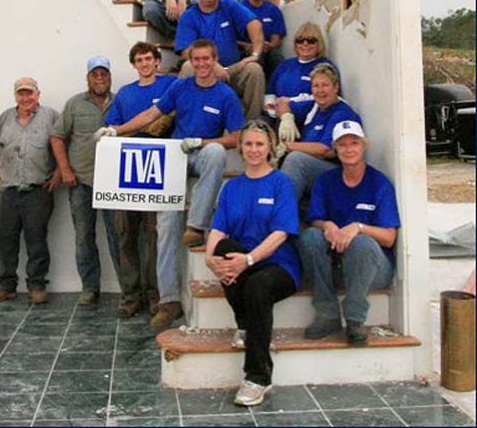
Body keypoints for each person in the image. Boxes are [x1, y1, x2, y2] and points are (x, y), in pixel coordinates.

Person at [95, 39, 244, 328]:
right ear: (191, 62)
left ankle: (197, 225)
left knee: (215, 153)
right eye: (196, 60)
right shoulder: (180, 87)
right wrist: (117, 130)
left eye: (206, 60)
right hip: (175, 156)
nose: (201, 65)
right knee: (164, 228)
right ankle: (169, 301)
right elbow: (151, 115)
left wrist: (204, 141)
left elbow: (236, 138)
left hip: (202, 150)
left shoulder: (226, 95)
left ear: (215, 61)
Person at [205, 120, 300, 406]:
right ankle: (246, 324)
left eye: (260, 144)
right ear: (241, 148)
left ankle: (258, 378)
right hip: (243, 264)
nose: (254, 149)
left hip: (279, 266)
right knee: (223, 248)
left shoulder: (281, 183)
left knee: (257, 286)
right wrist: (211, 260)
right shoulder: (232, 187)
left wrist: (248, 260)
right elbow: (218, 230)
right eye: (248, 144)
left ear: (270, 147)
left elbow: (281, 233)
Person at [298, 121, 400, 346]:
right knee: (309, 237)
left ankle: (355, 318)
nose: (348, 149)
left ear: (363, 146)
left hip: (373, 268)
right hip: (337, 264)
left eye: (354, 143)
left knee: (362, 243)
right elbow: (314, 219)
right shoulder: (326, 181)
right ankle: (327, 314)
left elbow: (389, 237)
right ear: (335, 149)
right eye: (342, 145)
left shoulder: (379, 183)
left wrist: (358, 227)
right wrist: (327, 226)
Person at [104, 42, 177, 318]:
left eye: (149, 58)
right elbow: (115, 126)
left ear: (157, 61)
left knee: (154, 234)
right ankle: (130, 295)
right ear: (134, 64)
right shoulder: (125, 94)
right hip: (127, 169)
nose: (145, 63)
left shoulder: (170, 85)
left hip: (159, 167)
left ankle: (155, 294)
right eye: (139, 60)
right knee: (126, 235)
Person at [0, 77, 61, 304]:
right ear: (15, 96)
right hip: (8, 191)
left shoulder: (51, 117)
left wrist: (59, 173)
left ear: (38, 94)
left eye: (29, 93)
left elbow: (63, 146)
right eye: (21, 94)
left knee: (37, 239)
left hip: (38, 190)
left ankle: (37, 285)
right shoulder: (4, 119)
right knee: (5, 238)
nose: (26, 98)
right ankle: (5, 285)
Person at [51, 56, 122, 305]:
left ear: (110, 76)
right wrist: (65, 169)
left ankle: (128, 290)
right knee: (83, 236)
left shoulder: (120, 101)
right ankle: (89, 288)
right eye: (95, 74)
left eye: (104, 74)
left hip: (115, 184)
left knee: (119, 236)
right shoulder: (74, 104)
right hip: (81, 181)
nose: (100, 78)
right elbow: (57, 137)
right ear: (88, 77)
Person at [175, 0, 266, 120]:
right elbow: (185, 50)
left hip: (232, 70)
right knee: (187, 67)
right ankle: (184, 120)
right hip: (202, 70)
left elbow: (255, 25)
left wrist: (254, 55)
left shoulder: (229, 5)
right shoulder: (189, 16)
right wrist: (211, 64)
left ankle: (252, 125)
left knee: (254, 70)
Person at [277, 62, 362, 206]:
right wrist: (287, 118)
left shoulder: (342, 113)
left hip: (338, 175)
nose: (320, 90)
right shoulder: (314, 105)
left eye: (325, 85)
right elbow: (281, 103)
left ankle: (283, 215)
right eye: (316, 86)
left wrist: (288, 145)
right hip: (313, 172)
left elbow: (326, 150)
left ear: (336, 87)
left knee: (296, 159)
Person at [264, 22, 340, 118]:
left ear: (319, 43)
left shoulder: (325, 67)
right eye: (300, 40)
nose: (305, 44)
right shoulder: (285, 64)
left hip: (309, 118)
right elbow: (271, 91)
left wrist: (291, 103)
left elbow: (325, 96)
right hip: (279, 115)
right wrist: (270, 106)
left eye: (311, 40)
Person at [239, 0, 286, 80]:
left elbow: (277, 37)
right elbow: (229, 36)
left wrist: (270, 45)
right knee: (256, 61)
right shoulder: (238, 8)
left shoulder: (273, 9)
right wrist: (245, 45)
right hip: (245, 51)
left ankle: (274, 91)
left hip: (267, 51)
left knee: (278, 58)